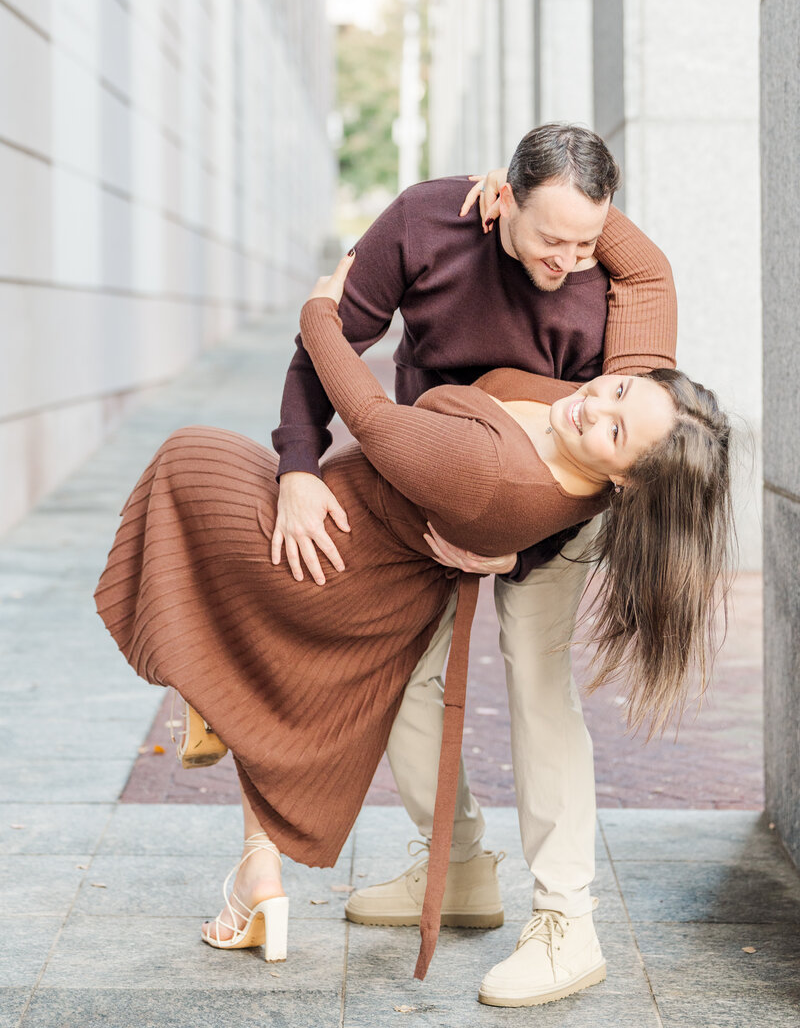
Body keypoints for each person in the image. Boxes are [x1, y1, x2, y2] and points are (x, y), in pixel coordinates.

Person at [94, 250, 733, 998]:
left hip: (384, 539)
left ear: (626, 479)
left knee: (193, 475)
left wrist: (316, 313)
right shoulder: (637, 397)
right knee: (380, 671)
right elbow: (649, 269)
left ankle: (568, 924)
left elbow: (368, 417)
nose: (594, 404)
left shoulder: (506, 466)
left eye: (615, 430)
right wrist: (546, 194)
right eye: (615, 389)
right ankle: (449, 862)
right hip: (400, 546)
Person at [269, 123, 680, 1004]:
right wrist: (299, 466)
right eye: (552, 239)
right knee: (410, 675)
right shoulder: (425, 220)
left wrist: (515, 536)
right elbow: (333, 337)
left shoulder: (613, 272)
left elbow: (627, 452)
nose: (570, 260)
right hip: (432, 479)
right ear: (501, 200)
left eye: (588, 239)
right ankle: (454, 866)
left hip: (559, 506)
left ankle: (568, 921)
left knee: (536, 683)